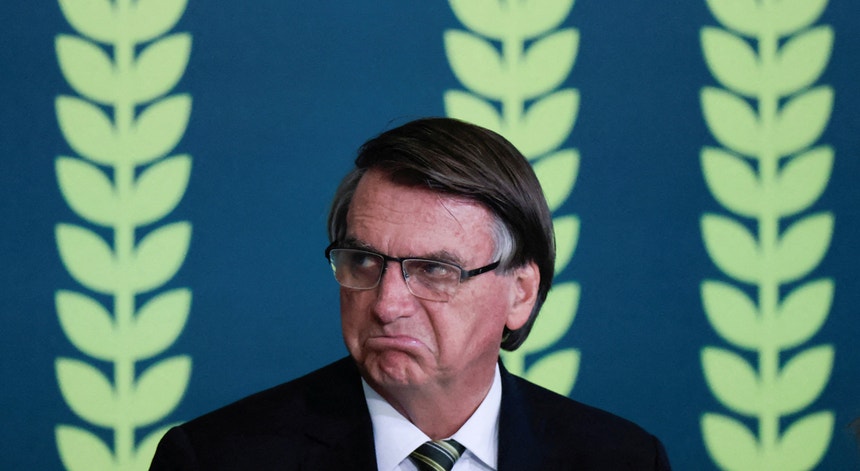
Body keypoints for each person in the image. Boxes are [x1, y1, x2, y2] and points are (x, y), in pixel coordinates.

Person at [150, 117, 672, 470]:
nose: (386, 305)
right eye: (363, 261)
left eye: (435, 270)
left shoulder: (622, 460)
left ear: (520, 293)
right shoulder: (214, 459)